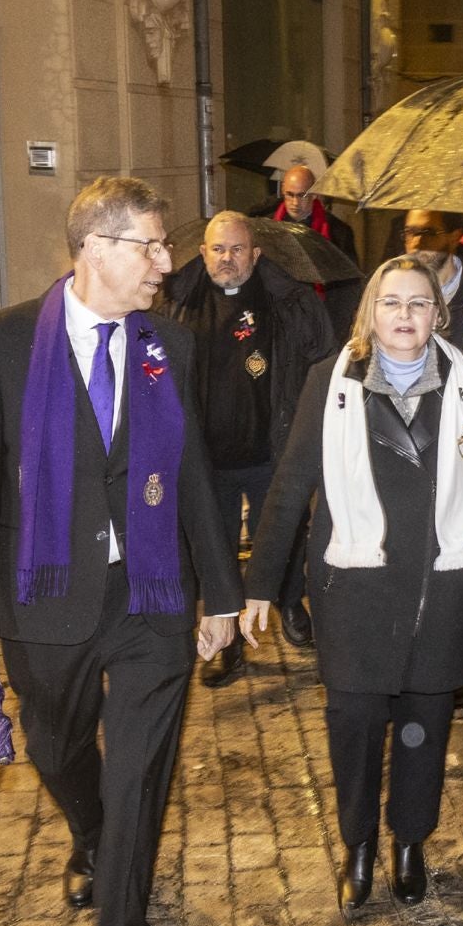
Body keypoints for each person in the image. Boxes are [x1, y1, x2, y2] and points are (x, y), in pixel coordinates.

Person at [0, 177, 241, 926]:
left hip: (150, 593)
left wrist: (219, 593)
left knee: (138, 775)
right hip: (47, 594)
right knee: (60, 749)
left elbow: (193, 476)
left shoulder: (168, 348)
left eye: (163, 247)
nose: (164, 264)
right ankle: (93, 836)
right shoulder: (1, 346)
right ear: (96, 250)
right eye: (148, 246)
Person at [241, 256, 463, 911]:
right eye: (392, 303)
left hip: (436, 592)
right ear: (370, 311)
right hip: (354, 595)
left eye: (419, 304)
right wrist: (259, 585)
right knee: (355, 726)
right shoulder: (329, 384)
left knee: (425, 726)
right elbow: (289, 489)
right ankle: (359, 844)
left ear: (437, 313)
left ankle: (409, 843)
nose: (405, 317)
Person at [159, 211, 336, 681]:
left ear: (256, 255)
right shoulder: (176, 299)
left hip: (269, 451)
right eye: (218, 249)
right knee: (211, 551)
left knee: (282, 536)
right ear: (203, 253)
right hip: (204, 458)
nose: (227, 259)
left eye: (237, 249)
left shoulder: (285, 298)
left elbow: (321, 348)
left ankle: (290, 604)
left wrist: (292, 296)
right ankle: (227, 642)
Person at [403, 209, 463, 347]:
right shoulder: (387, 293)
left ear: (454, 237)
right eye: (410, 232)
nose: (416, 242)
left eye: (429, 233)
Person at [254, 163, 358, 263]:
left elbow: (350, 275)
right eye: (290, 194)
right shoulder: (266, 227)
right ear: (283, 190)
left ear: (314, 194)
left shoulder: (338, 231)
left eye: (302, 195)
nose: (295, 202)